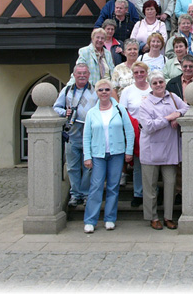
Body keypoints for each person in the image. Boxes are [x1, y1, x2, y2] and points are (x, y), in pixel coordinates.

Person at [137, 71, 189, 230]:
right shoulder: (145, 103)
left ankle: (168, 216)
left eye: (161, 82)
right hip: (151, 150)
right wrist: (168, 118)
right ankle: (152, 217)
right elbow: (149, 126)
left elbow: (186, 107)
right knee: (150, 187)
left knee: (170, 185)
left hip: (170, 149)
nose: (159, 85)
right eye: (155, 83)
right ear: (151, 86)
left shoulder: (173, 97)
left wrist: (178, 115)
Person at [82, 79, 135, 233]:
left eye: (106, 90)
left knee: (113, 187)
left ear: (111, 91)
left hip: (117, 153)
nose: (104, 93)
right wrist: (87, 156)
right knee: (96, 187)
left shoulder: (119, 109)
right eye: (101, 90)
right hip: (98, 154)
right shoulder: (92, 113)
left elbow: (129, 131)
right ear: (97, 93)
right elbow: (87, 136)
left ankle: (110, 218)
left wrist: (129, 151)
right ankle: (90, 220)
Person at [53, 63, 97, 207]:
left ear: (89, 75)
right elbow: (56, 107)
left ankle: (85, 194)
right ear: (74, 75)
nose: (82, 75)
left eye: (85, 73)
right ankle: (75, 194)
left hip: (89, 133)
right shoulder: (67, 91)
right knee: (72, 167)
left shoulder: (95, 90)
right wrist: (63, 112)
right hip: (72, 133)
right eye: (79, 73)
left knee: (88, 166)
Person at [118, 61, 151, 208]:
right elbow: (123, 112)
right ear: (133, 74)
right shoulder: (127, 91)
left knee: (152, 165)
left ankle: (152, 191)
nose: (139, 75)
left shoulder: (152, 88)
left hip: (152, 131)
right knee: (138, 165)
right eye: (136, 72)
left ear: (146, 73)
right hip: (135, 131)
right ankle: (138, 193)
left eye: (142, 72)